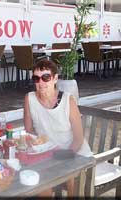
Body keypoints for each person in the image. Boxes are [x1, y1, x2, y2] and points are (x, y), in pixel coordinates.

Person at [23, 59, 92, 197]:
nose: (41, 83)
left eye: (46, 77)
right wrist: (35, 144)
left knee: (70, 177)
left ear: (55, 78)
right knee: (36, 178)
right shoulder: (29, 98)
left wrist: (62, 158)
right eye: (36, 78)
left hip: (74, 153)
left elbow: (78, 139)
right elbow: (29, 131)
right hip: (48, 154)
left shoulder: (68, 100)